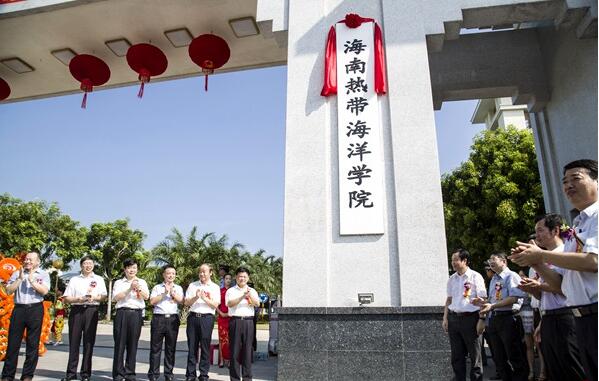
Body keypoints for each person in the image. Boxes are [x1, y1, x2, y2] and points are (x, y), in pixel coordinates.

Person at [510, 159, 598, 381]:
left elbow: (593, 261)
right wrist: (535, 263)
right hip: (581, 318)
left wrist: (541, 256)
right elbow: (561, 285)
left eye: (576, 178)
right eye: (564, 181)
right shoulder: (577, 227)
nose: (568, 185)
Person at [517, 214, 586, 381]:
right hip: (548, 318)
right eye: (535, 231)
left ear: (555, 230)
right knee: (554, 369)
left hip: (566, 317)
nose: (537, 236)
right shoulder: (543, 257)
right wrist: (532, 289)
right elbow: (542, 295)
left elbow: (566, 289)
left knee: (572, 368)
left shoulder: (565, 254)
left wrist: (538, 284)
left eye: (540, 231)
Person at [475, 252, 528, 381]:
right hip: (494, 319)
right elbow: (494, 299)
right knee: (498, 357)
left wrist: (492, 306)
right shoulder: (494, 278)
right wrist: (483, 302)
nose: (491, 262)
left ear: (504, 261)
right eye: (490, 259)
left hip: (508, 318)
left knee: (514, 354)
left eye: (494, 259)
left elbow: (514, 297)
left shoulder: (511, 276)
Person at [1, 251, 50, 381]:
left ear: (37, 262)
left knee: (32, 344)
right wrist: (19, 279)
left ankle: (27, 375)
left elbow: (44, 291)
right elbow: (8, 290)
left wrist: (32, 280)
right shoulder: (18, 273)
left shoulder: (43, 274)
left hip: (35, 309)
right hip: (19, 309)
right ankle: (7, 375)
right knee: (13, 344)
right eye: (27, 259)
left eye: (31, 260)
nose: (28, 261)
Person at [61, 255, 108, 381]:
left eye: (90, 263)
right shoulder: (74, 279)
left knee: (89, 343)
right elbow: (66, 298)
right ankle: (70, 374)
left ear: (93, 265)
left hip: (91, 311)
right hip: (77, 311)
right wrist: (78, 299)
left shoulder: (99, 279)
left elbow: (104, 296)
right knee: (74, 342)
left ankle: (85, 374)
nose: (88, 266)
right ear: (81, 265)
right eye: (85, 263)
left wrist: (95, 298)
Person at [442, 249, 487, 381]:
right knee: (457, 356)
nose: (453, 263)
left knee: (475, 356)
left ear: (464, 260)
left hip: (471, 319)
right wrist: (445, 318)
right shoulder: (452, 279)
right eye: (452, 260)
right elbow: (449, 299)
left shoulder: (475, 276)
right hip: (454, 319)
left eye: (455, 260)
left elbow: (483, 300)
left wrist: (482, 319)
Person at [112, 258, 149, 381]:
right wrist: (129, 288)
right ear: (125, 269)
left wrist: (137, 288)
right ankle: (118, 374)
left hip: (136, 314)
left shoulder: (142, 282)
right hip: (122, 313)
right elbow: (116, 298)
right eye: (129, 267)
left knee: (133, 344)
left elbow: (146, 297)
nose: (132, 270)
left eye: (134, 268)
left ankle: (130, 373)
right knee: (120, 344)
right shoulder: (119, 282)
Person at [184, 264, 221, 381]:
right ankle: (190, 375)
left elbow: (215, 304)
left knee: (205, 347)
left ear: (210, 273)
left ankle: (204, 374)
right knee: (192, 347)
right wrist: (196, 297)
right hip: (193, 318)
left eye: (204, 272)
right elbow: (186, 303)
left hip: (207, 319)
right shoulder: (192, 285)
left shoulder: (215, 287)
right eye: (200, 272)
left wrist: (204, 298)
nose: (202, 274)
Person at [147, 264, 183, 381]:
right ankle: (153, 374)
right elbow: (152, 301)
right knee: (155, 348)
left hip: (172, 319)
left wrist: (172, 293)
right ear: (164, 275)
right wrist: (164, 293)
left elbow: (182, 301)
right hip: (159, 319)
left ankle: (169, 374)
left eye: (173, 273)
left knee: (170, 348)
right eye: (168, 273)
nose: (170, 275)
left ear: (175, 275)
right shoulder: (157, 287)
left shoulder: (178, 288)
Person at [226, 267, 260, 381]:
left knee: (247, 351)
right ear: (236, 277)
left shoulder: (252, 291)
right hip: (235, 321)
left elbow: (257, 303)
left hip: (248, 322)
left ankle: (247, 378)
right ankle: (234, 378)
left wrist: (249, 295)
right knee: (234, 351)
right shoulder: (231, 291)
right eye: (240, 276)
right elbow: (230, 304)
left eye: (244, 276)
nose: (242, 278)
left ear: (248, 278)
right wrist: (242, 296)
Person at [217, 273, 233, 368]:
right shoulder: (219, 291)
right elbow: (216, 304)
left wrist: (228, 314)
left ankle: (231, 360)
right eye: (226, 278)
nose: (228, 280)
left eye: (230, 279)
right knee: (221, 339)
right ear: (223, 280)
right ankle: (222, 360)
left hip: (231, 317)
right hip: (222, 318)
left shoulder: (233, 291)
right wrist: (221, 313)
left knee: (231, 339)